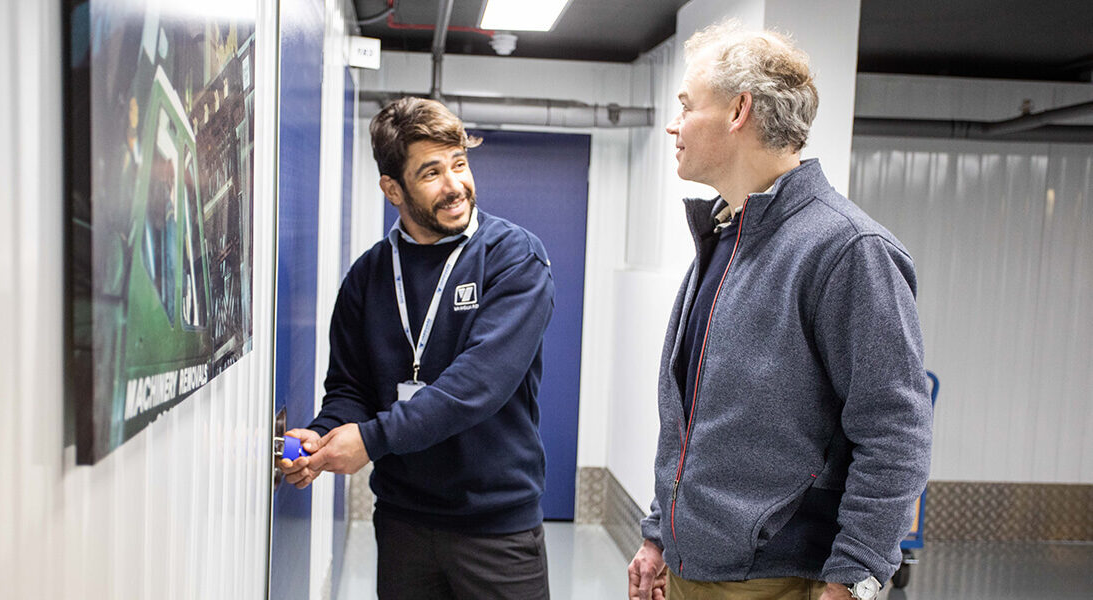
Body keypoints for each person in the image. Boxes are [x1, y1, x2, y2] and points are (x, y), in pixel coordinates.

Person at [627, 21, 933, 600]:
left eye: (688, 106)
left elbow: (895, 432)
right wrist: (659, 534)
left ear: (739, 110)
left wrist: (855, 575)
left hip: (779, 577)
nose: (674, 123)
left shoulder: (846, 250)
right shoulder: (725, 235)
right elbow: (696, 421)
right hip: (695, 567)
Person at [278, 97, 555, 600]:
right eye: (431, 172)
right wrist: (320, 439)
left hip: (495, 529)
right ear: (393, 189)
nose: (455, 186)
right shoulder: (367, 277)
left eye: (460, 164)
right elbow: (350, 389)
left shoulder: (514, 257)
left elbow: (476, 386)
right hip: (404, 524)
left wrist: (368, 441)